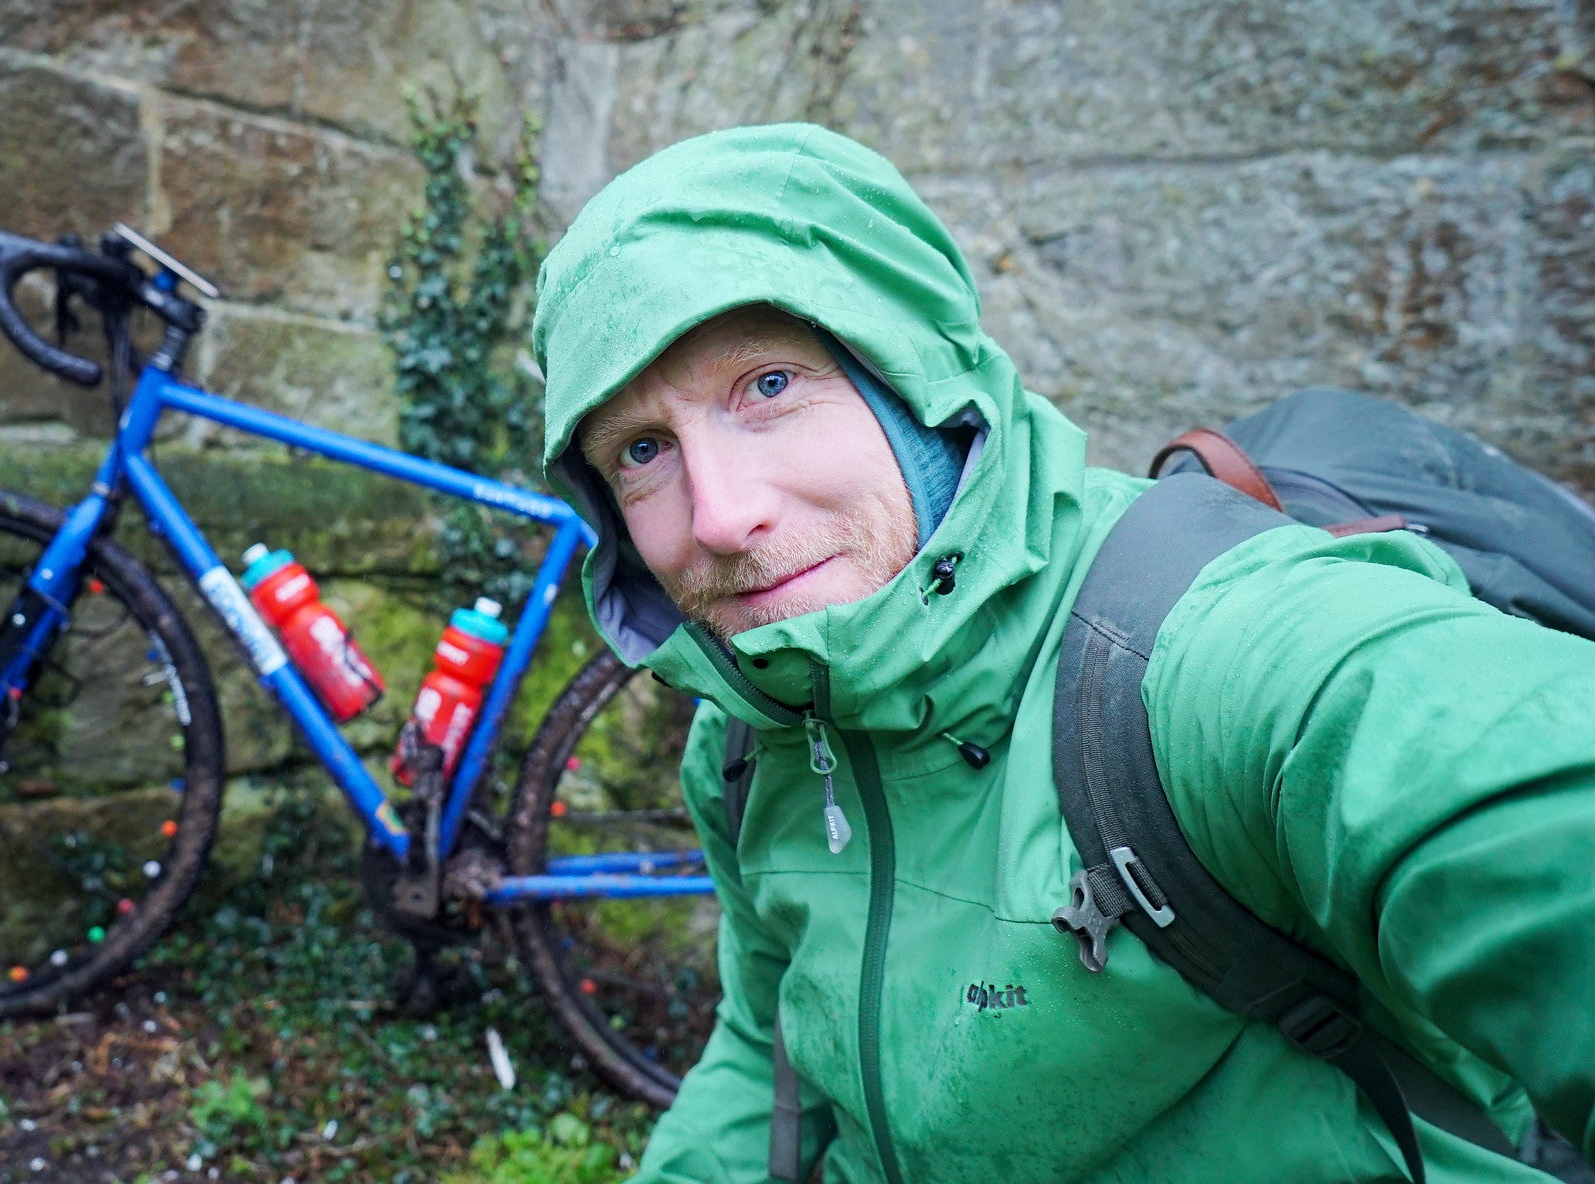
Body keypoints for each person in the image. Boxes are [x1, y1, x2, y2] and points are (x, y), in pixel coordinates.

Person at [528, 123, 1595, 1183]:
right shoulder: (746, 739)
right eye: (641, 450)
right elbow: (772, 1044)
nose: (717, 516)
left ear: (915, 378)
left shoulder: (1209, 661)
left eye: (765, 386)